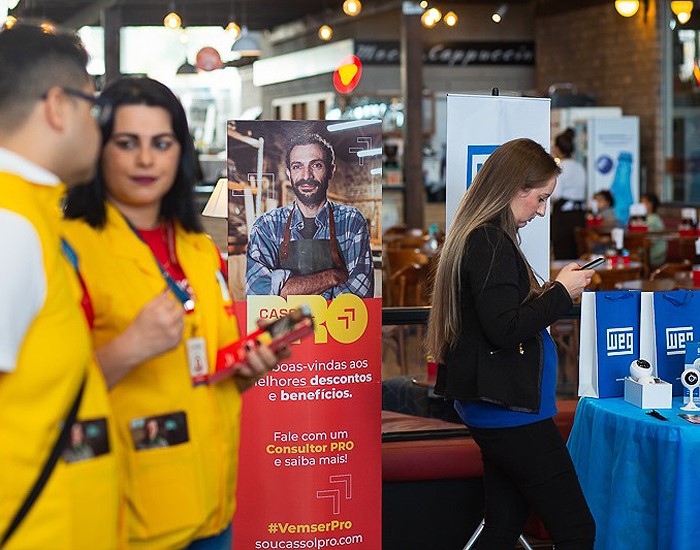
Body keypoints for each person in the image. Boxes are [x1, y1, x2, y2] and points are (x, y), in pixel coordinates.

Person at [63, 76, 286, 550]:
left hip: (212, 504)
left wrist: (245, 369)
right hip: (122, 516)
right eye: (127, 143)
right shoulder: (68, 249)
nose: (146, 160)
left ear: (179, 152)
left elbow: (202, 367)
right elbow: (42, 394)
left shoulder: (200, 251)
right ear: (99, 149)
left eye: (161, 143)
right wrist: (128, 349)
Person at [426, 138, 596, 549]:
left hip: (498, 409)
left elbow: (497, 314)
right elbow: (505, 328)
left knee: (503, 527)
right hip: (511, 414)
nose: (541, 211)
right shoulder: (489, 242)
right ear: (516, 189)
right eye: (540, 199)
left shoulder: (480, 238)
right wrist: (559, 292)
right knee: (576, 530)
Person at [0, 23, 121, 549]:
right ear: (57, 106)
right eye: (93, 107)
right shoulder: (12, 228)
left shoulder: (32, 218)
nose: (100, 130)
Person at [246, 133, 374, 299]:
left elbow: (358, 296)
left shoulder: (351, 221)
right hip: (286, 326)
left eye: (316, 165)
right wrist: (332, 277)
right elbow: (258, 293)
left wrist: (284, 287)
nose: (306, 176)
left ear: (331, 171)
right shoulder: (266, 226)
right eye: (297, 167)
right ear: (289, 173)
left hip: (336, 325)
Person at [551, 128, 587, 259]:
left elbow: (556, 194)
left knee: (563, 254)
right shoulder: (580, 167)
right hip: (579, 215)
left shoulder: (560, 168)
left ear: (557, 149)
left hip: (564, 217)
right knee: (578, 253)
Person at [640, 192, 667, 267]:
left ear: (650, 204)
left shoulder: (653, 220)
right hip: (652, 254)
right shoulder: (652, 218)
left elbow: (650, 242)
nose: (640, 205)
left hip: (654, 255)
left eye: (643, 202)